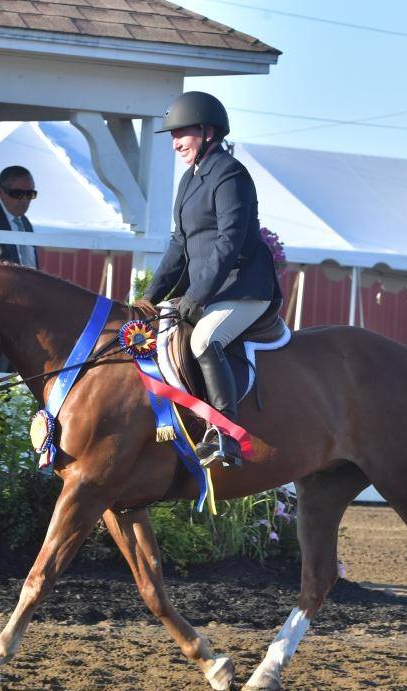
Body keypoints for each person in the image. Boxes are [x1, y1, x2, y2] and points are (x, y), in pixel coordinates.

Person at [143, 91, 281, 469]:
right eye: (172, 136)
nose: (174, 142)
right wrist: (148, 300)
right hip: (212, 290)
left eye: (181, 133)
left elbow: (229, 240)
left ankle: (224, 433)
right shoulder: (189, 180)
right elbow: (179, 246)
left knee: (205, 338)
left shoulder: (230, 174)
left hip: (245, 288)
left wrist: (197, 295)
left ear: (206, 131)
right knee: (165, 328)